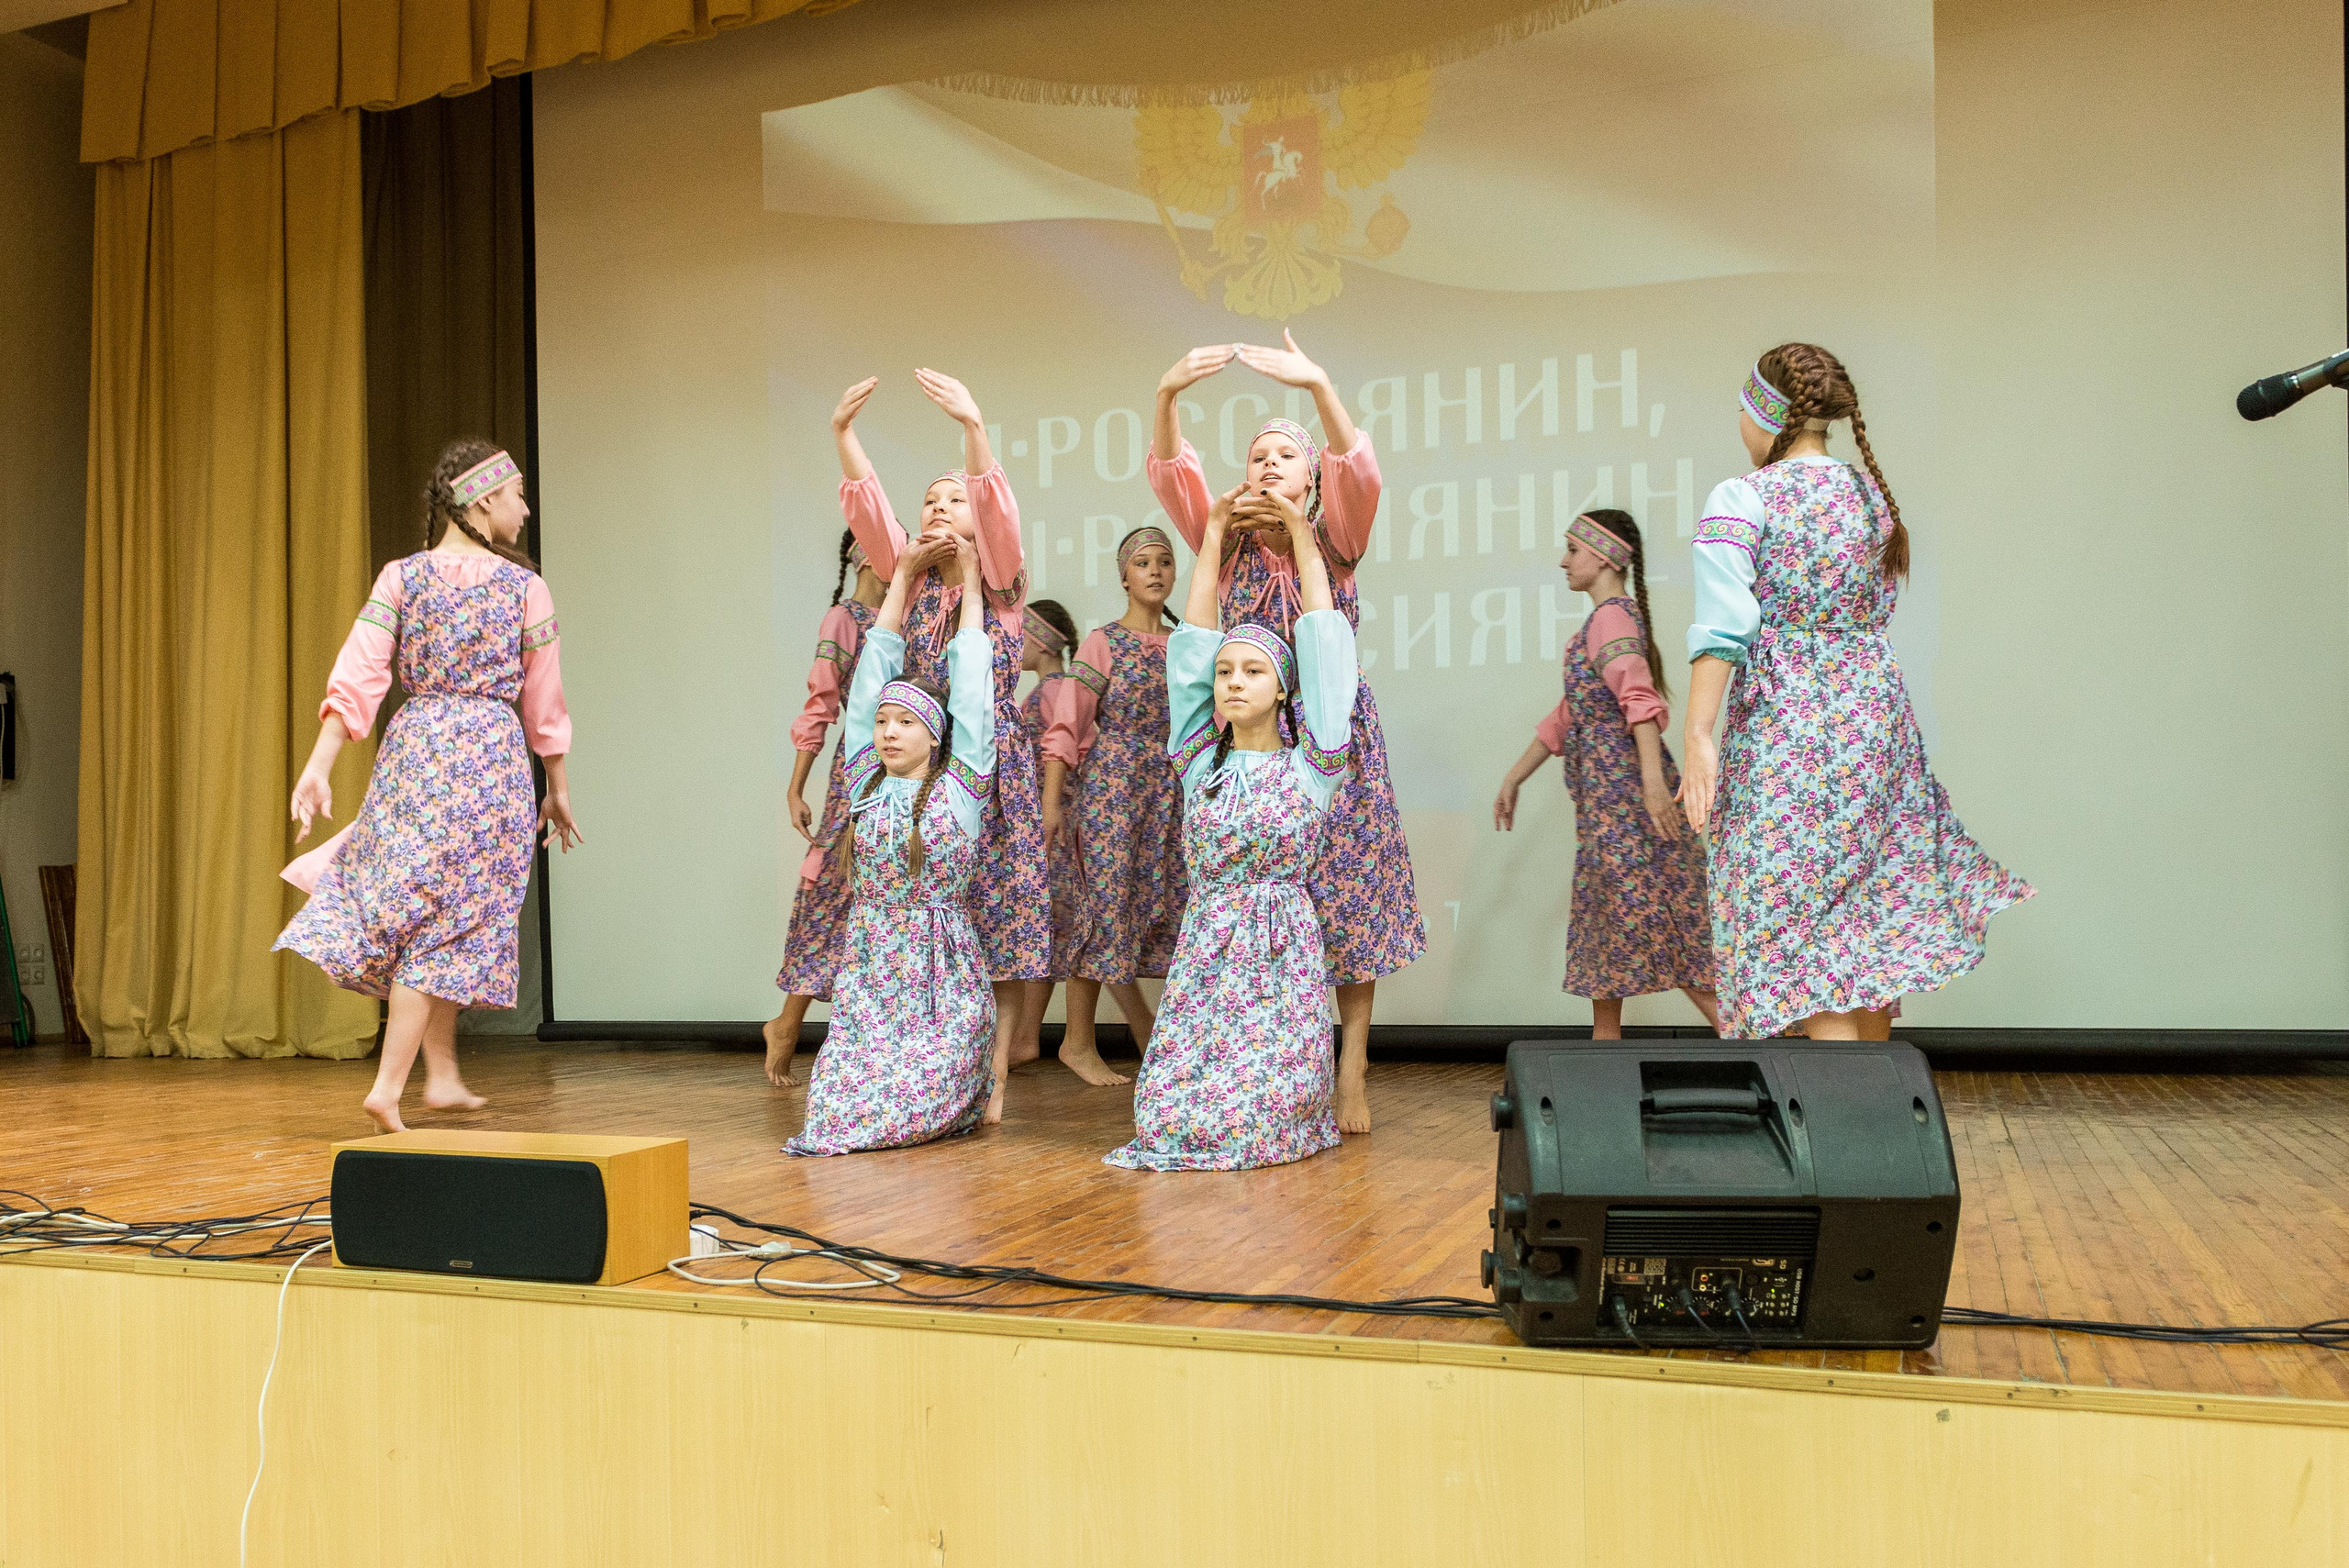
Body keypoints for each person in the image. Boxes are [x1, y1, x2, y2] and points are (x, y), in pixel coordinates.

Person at [1677, 343, 2032, 1040]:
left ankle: (1842, 1136)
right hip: (1874, 731)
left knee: (1801, 938)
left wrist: (1698, 735)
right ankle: (1879, 1129)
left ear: (1765, 415)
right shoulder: (1870, 496)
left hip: (1790, 732)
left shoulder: (1743, 496)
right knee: (1859, 930)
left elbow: (1722, 628)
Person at [1148, 334, 1421, 1134]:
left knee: (1350, 903)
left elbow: (1360, 469)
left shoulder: (1335, 537)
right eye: (1257, 454)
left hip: (1329, 741)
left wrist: (1318, 382)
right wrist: (1166, 398)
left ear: (1312, 479)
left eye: (1284, 455)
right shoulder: (1223, 541)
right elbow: (1174, 477)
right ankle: (1246, 1048)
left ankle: (1354, 1064)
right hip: (1247, 745)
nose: (1267, 464)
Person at [273, 440, 582, 1133]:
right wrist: (556, 784)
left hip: (416, 753)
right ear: (481, 502)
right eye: (517, 495)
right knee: (444, 923)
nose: (525, 509)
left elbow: (358, 675)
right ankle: (389, 1085)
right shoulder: (523, 587)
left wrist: (321, 763)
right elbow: (545, 701)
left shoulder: (402, 577)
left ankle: (440, 1074)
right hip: (486, 761)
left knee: (443, 912)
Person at [1106, 479, 1353, 1172]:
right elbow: (1188, 657)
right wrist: (1211, 533)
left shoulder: (1315, 764)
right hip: (1205, 968)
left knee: (1252, 1118)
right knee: (1166, 1113)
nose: (1233, 682)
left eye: (1252, 671)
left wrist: (1302, 534)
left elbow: (1327, 646)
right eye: (1225, 673)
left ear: (1284, 688)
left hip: (1280, 970)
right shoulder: (1197, 765)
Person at [834, 371, 1045, 1117]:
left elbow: (996, 508)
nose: (939, 508)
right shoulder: (910, 575)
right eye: (930, 499)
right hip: (916, 759)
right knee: (927, 912)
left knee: (1000, 913)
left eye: (953, 499)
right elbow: (872, 514)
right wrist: (844, 437)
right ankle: (917, 1049)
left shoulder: (999, 578)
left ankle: (994, 1073)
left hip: (986, 761)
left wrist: (973, 424)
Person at [787, 529, 997, 1153]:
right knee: (834, 1108)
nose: (887, 731)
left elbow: (973, 683)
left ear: (936, 736)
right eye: (882, 721)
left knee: (918, 1092)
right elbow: (872, 666)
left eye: (905, 721)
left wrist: (970, 580)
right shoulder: (865, 785)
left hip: (943, 991)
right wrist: (901, 575)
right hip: (873, 984)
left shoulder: (963, 786)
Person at [1493, 510, 1718, 1037]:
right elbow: (1568, 715)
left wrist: (1653, 785)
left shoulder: (1611, 619)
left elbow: (1639, 703)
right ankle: (1606, 1049)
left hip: (1623, 800)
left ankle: (1749, 1037)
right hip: (1604, 804)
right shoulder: (1602, 622)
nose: (1564, 560)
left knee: (1655, 910)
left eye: (1573, 549)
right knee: (1609, 916)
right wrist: (1514, 777)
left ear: (1604, 557)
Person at [1040, 527, 1188, 1087]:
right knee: (1102, 908)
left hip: (1168, 792)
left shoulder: (1185, 644)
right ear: (1124, 576)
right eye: (1143, 563)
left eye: (1165, 562)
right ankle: (1077, 1044)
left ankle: (1177, 1043)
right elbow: (1065, 725)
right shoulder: (1102, 641)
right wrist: (1053, 803)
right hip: (1110, 791)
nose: (1155, 571)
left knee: (1168, 911)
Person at [765, 530, 887, 1086]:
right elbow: (820, 702)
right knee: (833, 891)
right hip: (859, 773)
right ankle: (788, 1023)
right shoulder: (845, 619)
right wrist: (797, 787)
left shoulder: (915, 619)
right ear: (863, 557)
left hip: (913, 771)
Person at [1010, 599, 1080, 1069]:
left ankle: (1026, 1038)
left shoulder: (1054, 690)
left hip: (1054, 824)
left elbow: (1074, 743)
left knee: (1047, 924)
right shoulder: (1049, 690)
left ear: (1038, 641)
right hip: (1045, 822)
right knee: (1047, 924)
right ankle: (1025, 1037)